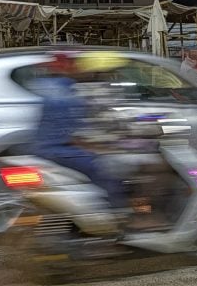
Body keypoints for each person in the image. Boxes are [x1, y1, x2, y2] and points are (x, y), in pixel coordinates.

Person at [29, 52, 129, 216]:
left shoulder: (42, 85)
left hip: (41, 147)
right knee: (107, 171)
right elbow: (78, 133)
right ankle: (118, 214)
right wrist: (99, 148)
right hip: (61, 150)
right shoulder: (70, 90)